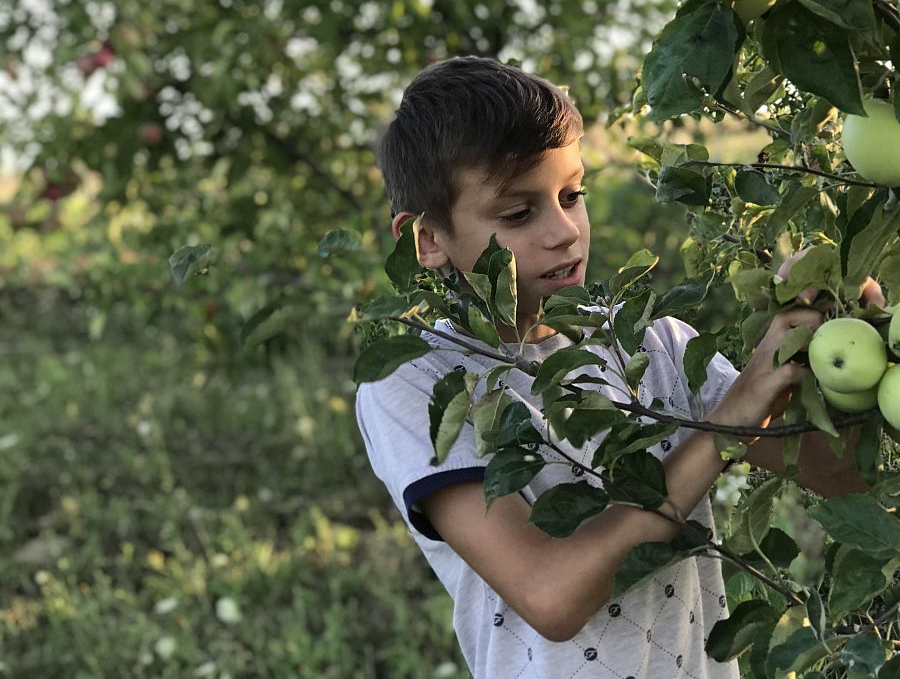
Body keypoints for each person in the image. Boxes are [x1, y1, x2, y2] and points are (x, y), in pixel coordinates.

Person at [356, 56, 868, 678]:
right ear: (428, 240)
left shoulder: (653, 345)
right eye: (519, 215)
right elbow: (551, 595)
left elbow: (839, 476)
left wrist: (837, 351)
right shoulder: (417, 381)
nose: (565, 230)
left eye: (572, 195)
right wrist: (732, 417)